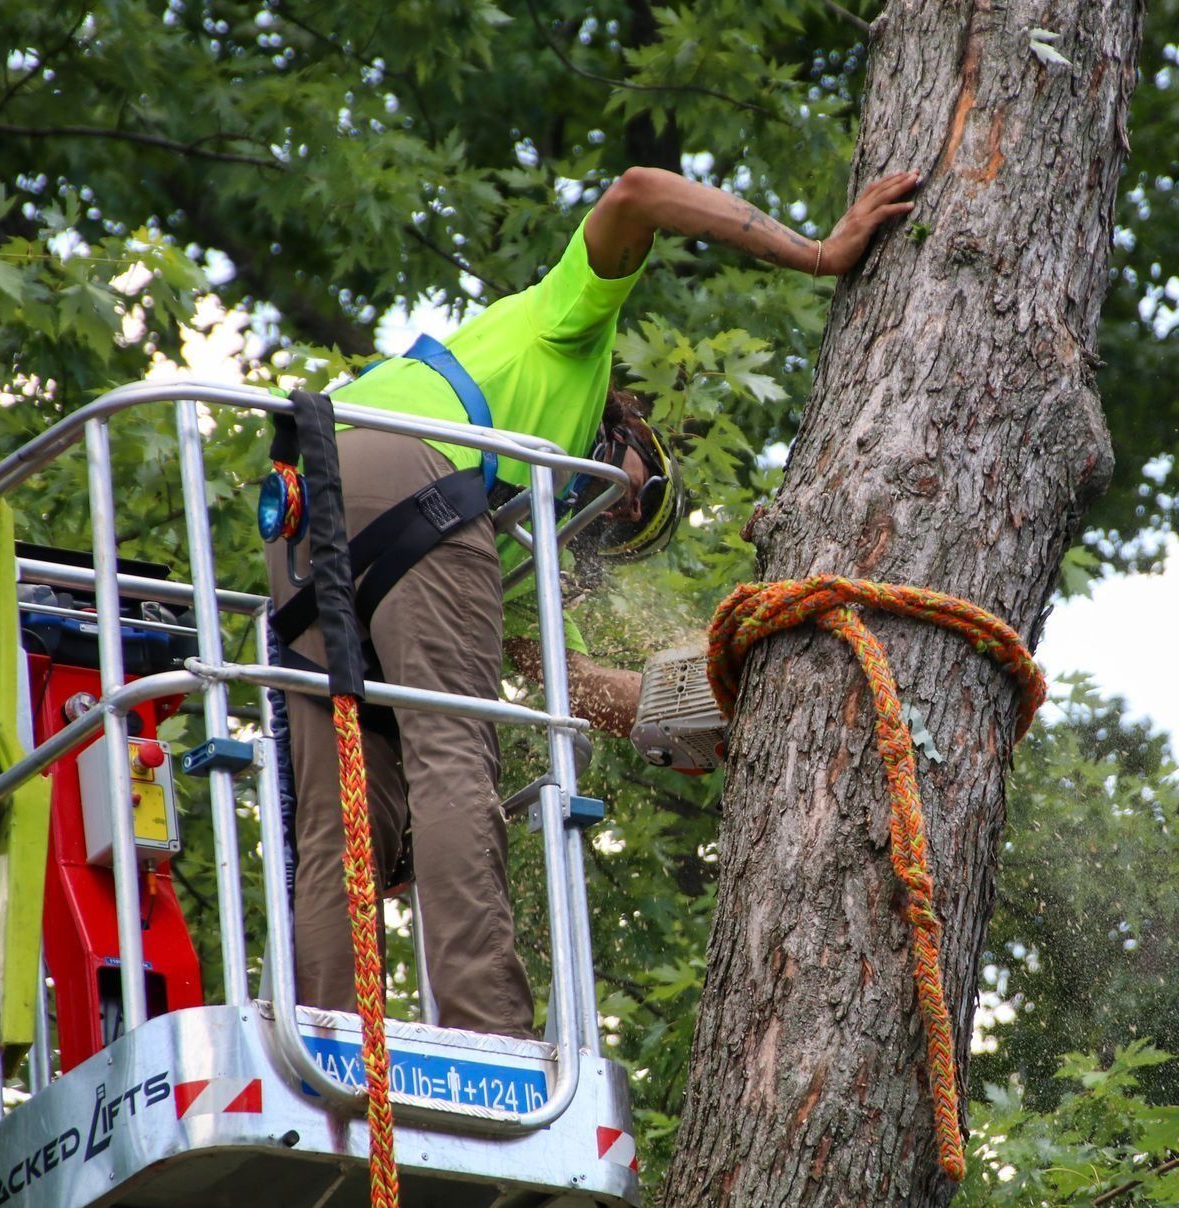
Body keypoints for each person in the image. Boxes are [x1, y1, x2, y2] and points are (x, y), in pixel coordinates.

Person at [267, 166, 921, 1038]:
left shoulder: (510, 529)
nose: (601, 524)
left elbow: (564, 680)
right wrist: (819, 254)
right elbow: (638, 192)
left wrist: (709, 706)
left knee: (352, 809)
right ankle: (487, 1035)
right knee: (454, 755)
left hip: (306, 502)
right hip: (410, 470)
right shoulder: (570, 332)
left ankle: (324, 1044)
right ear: (625, 436)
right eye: (628, 501)